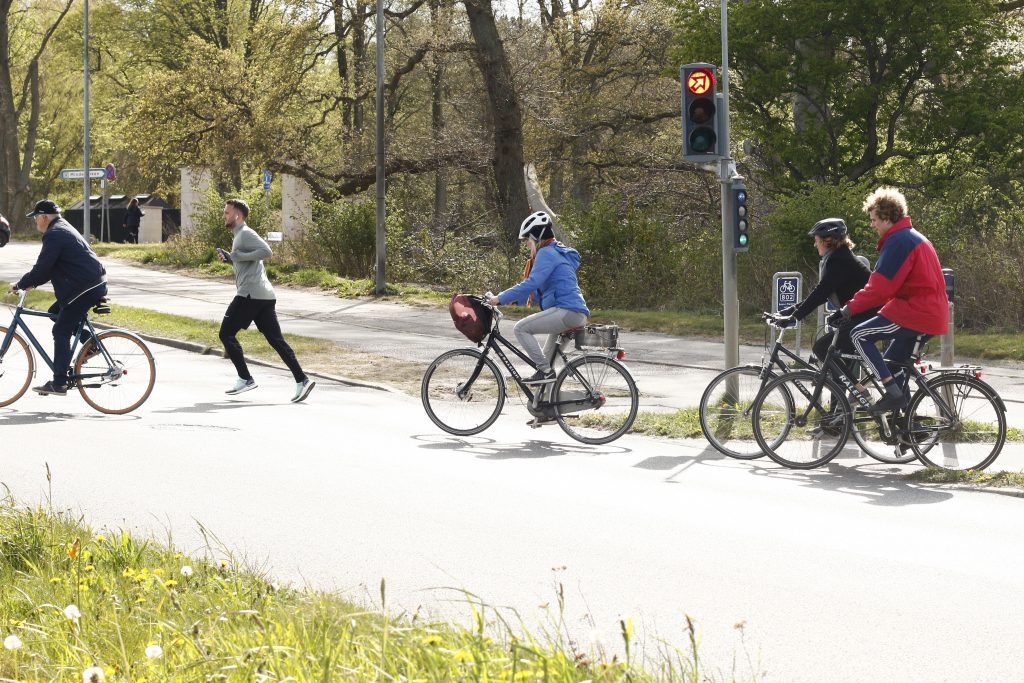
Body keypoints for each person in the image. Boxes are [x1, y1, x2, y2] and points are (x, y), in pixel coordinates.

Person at [829, 187, 949, 413]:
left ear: (887, 217)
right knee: (892, 364)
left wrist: (847, 310)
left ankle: (893, 394)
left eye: (874, 219)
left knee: (859, 334)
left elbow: (880, 288)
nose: (872, 225)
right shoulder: (911, 237)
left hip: (916, 312)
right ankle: (906, 422)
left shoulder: (899, 241)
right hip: (928, 311)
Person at [217, 198, 315, 403]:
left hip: (250, 295)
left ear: (237, 215)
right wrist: (231, 258)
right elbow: (246, 261)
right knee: (276, 340)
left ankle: (245, 378)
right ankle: (302, 380)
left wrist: (237, 256)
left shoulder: (245, 233)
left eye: (227, 212)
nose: (224, 216)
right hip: (264, 296)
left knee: (226, 333)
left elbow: (266, 252)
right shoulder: (239, 236)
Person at [9, 200, 108, 396]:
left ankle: (59, 383)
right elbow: (48, 269)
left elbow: (42, 268)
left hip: (84, 287)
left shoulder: (54, 234)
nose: (35, 221)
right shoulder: (61, 227)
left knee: (61, 330)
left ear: (44, 217)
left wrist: (20, 284)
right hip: (90, 283)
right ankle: (90, 344)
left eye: (36, 217)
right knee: (54, 312)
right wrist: (32, 283)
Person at [487, 211, 589, 384]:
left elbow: (531, 283)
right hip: (573, 313)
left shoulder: (546, 253)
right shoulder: (557, 251)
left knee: (521, 329)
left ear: (537, 236)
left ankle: (546, 373)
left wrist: (500, 298)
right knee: (546, 367)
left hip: (567, 311)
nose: (527, 244)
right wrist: (511, 299)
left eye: (528, 239)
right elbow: (539, 292)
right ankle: (547, 398)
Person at [775, 218, 879, 371]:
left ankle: (850, 385)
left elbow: (821, 292)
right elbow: (823, 293)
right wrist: (788, 312)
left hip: (867, 317)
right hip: (861, 316)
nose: (815, 244)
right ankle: (844, 386)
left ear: (828, 241)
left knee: (821, 348)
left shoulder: (839, 260)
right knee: (839, 358)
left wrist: (795, 317)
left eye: (817, 240)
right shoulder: (839, 257)